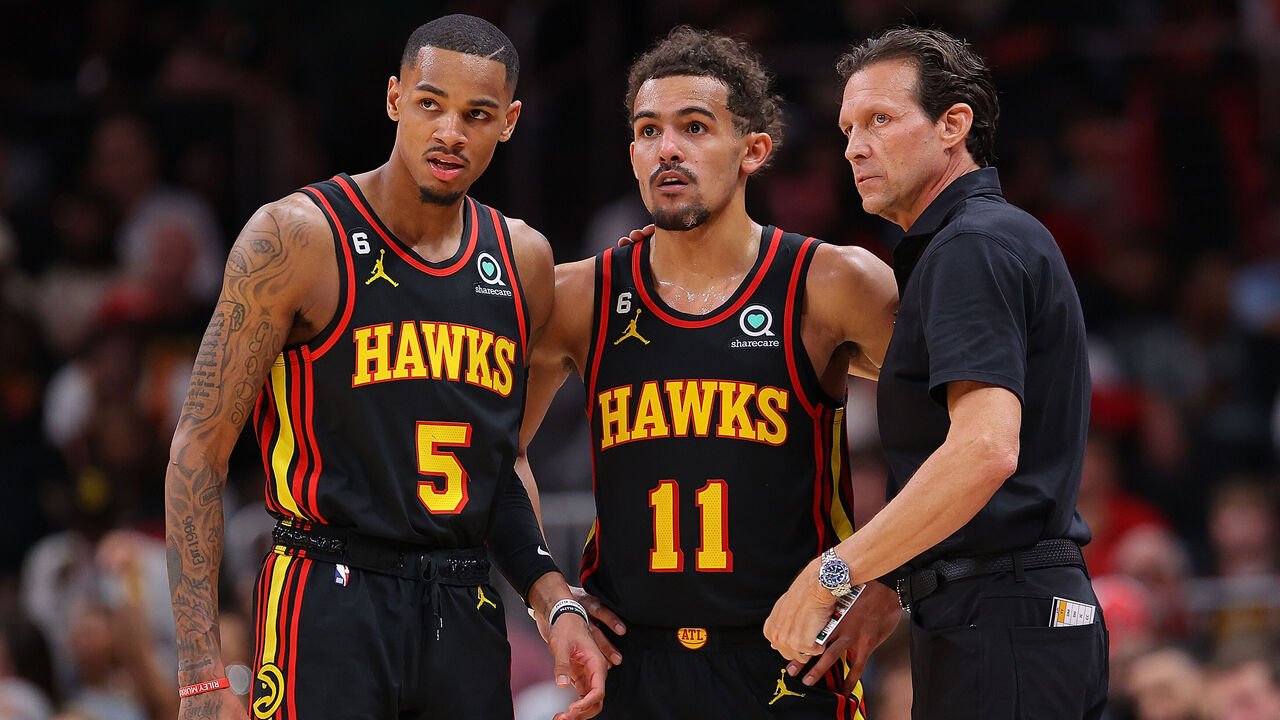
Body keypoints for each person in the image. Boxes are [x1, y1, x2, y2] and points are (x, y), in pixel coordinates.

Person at [164, 15, 606, 720]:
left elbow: (500, 466)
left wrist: (554, 600)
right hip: (325, 591)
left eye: (477, 114)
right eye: (431, 104)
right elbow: (197, 450)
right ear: (396, 98)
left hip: (463, 602)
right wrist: (197, 671)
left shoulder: (523, 259)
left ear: (511, 122)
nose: (450, 132)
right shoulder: (297, 237)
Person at [517, 27, 899, 720]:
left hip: (790, 662)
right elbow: (495, 450)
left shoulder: (833, 283)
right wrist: (551, 595)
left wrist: (893, 580)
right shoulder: (580, 296)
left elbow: (951, 436)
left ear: (754, 150)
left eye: (694, 127)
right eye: (647, 130)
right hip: (633, 665)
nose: (667, 148)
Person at [765, 26, 1109, 719]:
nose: (856, 146)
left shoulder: (970, 247)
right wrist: (887, 588)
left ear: (954, 125)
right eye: (847, 128)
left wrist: (833, 573)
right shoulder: (984, 239)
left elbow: (986, 451)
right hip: (1017, 616)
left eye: (880, 121)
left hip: (1002, 618)